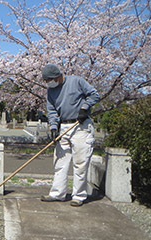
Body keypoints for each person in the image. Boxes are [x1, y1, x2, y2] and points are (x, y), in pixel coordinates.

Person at [40, 64, 100, 207]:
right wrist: (54, 128)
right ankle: (57, 194)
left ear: (58, 76)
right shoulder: (51, 91)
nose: (49, 83)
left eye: (51, 80)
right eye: (47, 81)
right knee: (60, 161)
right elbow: (52, 110)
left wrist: (85, 108)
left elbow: (94, 94)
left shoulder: (76, 81)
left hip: (81, 125)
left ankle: (78, 196)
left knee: (80, 162)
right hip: (64, 127)